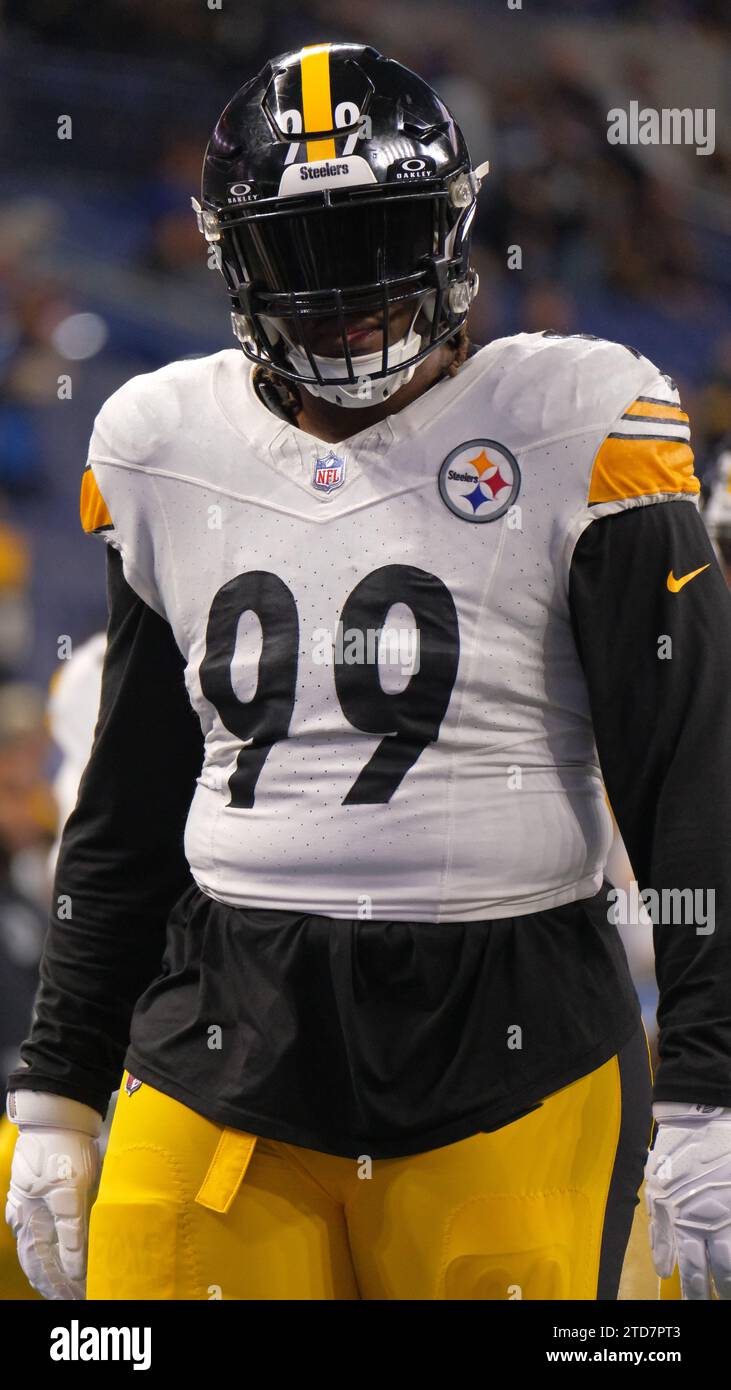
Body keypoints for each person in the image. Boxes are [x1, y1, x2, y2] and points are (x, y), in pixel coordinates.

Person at [5, 41, 731, 1302]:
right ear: (232, 261)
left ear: (452, 229)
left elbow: (692, 775)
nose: (344, 294)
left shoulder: (576, 415)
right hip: (220, 1030)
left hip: (510, 1040)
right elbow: (127, 800)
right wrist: (58, 1080)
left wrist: (711, 1078)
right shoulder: (162, 441)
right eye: (302, 251)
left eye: (376, 237)